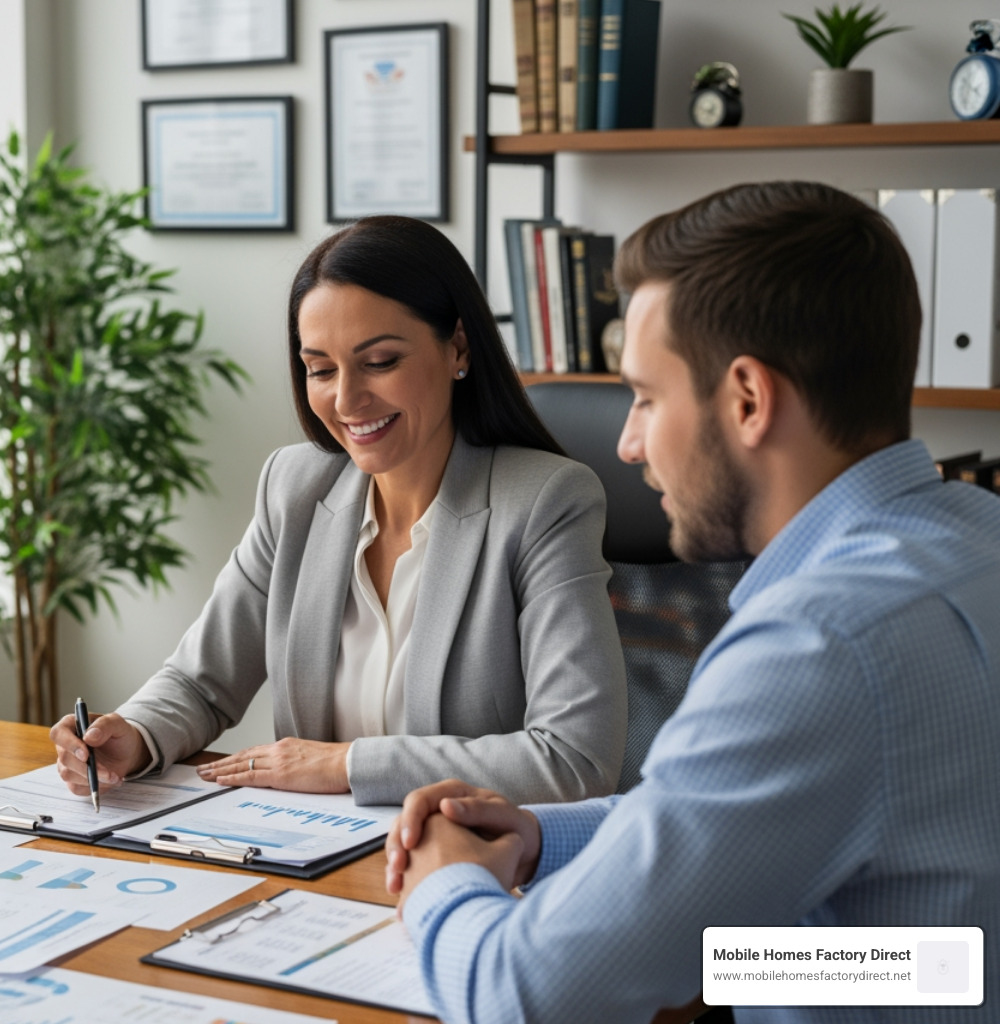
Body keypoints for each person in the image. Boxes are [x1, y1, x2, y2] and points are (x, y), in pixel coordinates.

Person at [386, 182, 1000, 1022]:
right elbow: (933, 953)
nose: (629, 444)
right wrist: (542, 835)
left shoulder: (820, 645)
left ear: (747, 399)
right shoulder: (976, 536)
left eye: (644, 396)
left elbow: (520, 997)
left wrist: (441, 883)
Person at [49, 215, 627, 806]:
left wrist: (347, 764)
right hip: (316, 859)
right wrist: (136, 734)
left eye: (379, 362)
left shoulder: (543, 502)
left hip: (473, 859)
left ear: (457, 347)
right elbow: (203, 681)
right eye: (320, 370)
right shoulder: (295, 487)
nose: (346, 400)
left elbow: (574, 759)